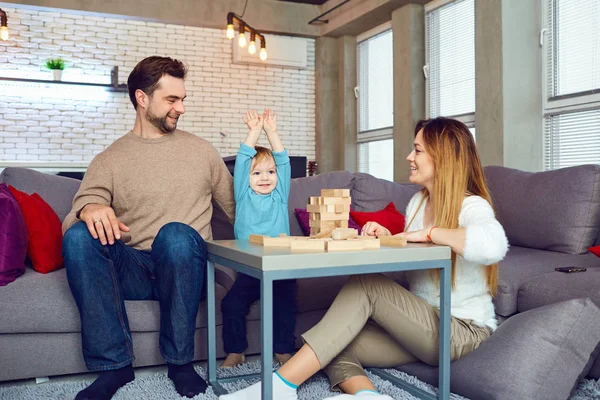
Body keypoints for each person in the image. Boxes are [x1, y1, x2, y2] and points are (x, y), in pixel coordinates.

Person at [220, 117, 509, 400]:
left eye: (418, 150)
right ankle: (368, 395)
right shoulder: (420, 202)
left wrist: (431, 232)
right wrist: (387, 234)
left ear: (443, 157)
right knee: (333, 344)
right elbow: (415, 248)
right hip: (423, 326)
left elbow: (493, 244)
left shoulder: (471, 205)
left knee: (366, 284)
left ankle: (280, 386)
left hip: (460, 330)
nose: (409, 156)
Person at [61, 56, 235, 400]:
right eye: (172, 99)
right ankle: (115, 367)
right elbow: (71, 220)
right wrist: (91, 208)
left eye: (183, 99)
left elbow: (241, 213)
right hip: (135, 270)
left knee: (175, 235)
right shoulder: (109, 159)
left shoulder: (202, 151)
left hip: (187, 265)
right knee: (79, 237)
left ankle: (181, 365)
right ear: (142, 98)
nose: (181, 108)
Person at [220, 109, 297, 368]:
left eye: (270, 172)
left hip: (281, 266)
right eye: (257, 173)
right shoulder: (243, 194)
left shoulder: (279, 194)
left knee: (285, 304)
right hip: (251, 268)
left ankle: (284, 349)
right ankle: (235, 351)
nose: (265, 178)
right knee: (232, 304)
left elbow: (284, 162)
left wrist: (272, 132)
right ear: (247, 179)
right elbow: (242, 162)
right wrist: (254, 131)